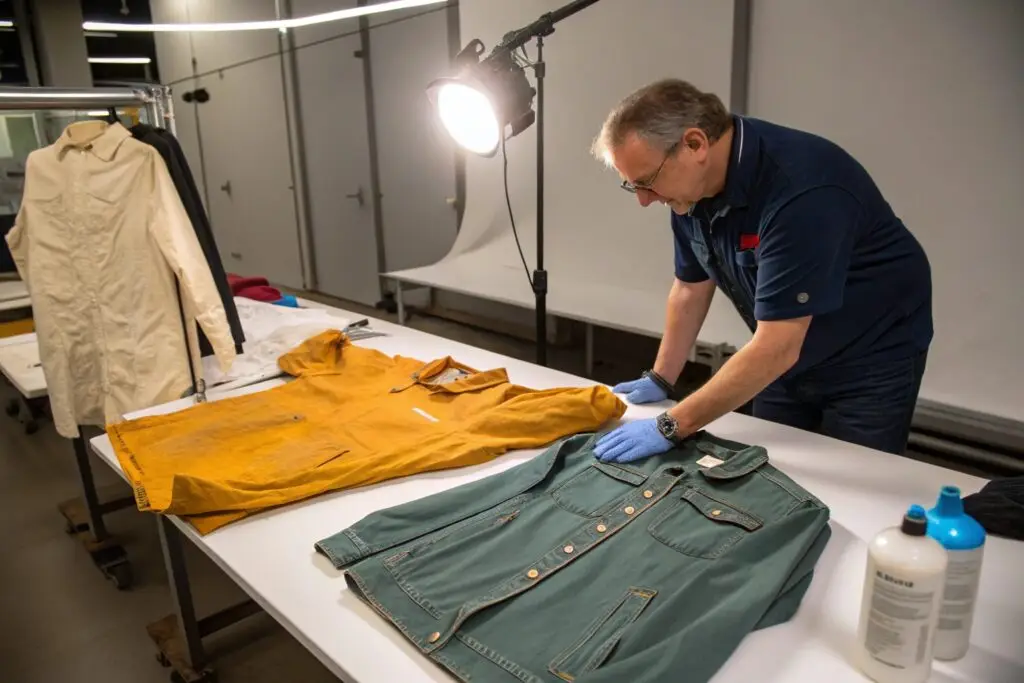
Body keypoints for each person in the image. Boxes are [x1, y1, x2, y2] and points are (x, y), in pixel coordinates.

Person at [591, 79, 932, 464]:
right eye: (631, 186)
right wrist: (661, 377)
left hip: (868, 360)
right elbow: (690, 287)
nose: (643, 200)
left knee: (854, 486)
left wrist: (670, 425)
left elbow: (778, 346)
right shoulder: (689, 192)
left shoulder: (801, 193)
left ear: (694, 144)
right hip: (782, 354)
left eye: (647, 182)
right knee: (767, 471)